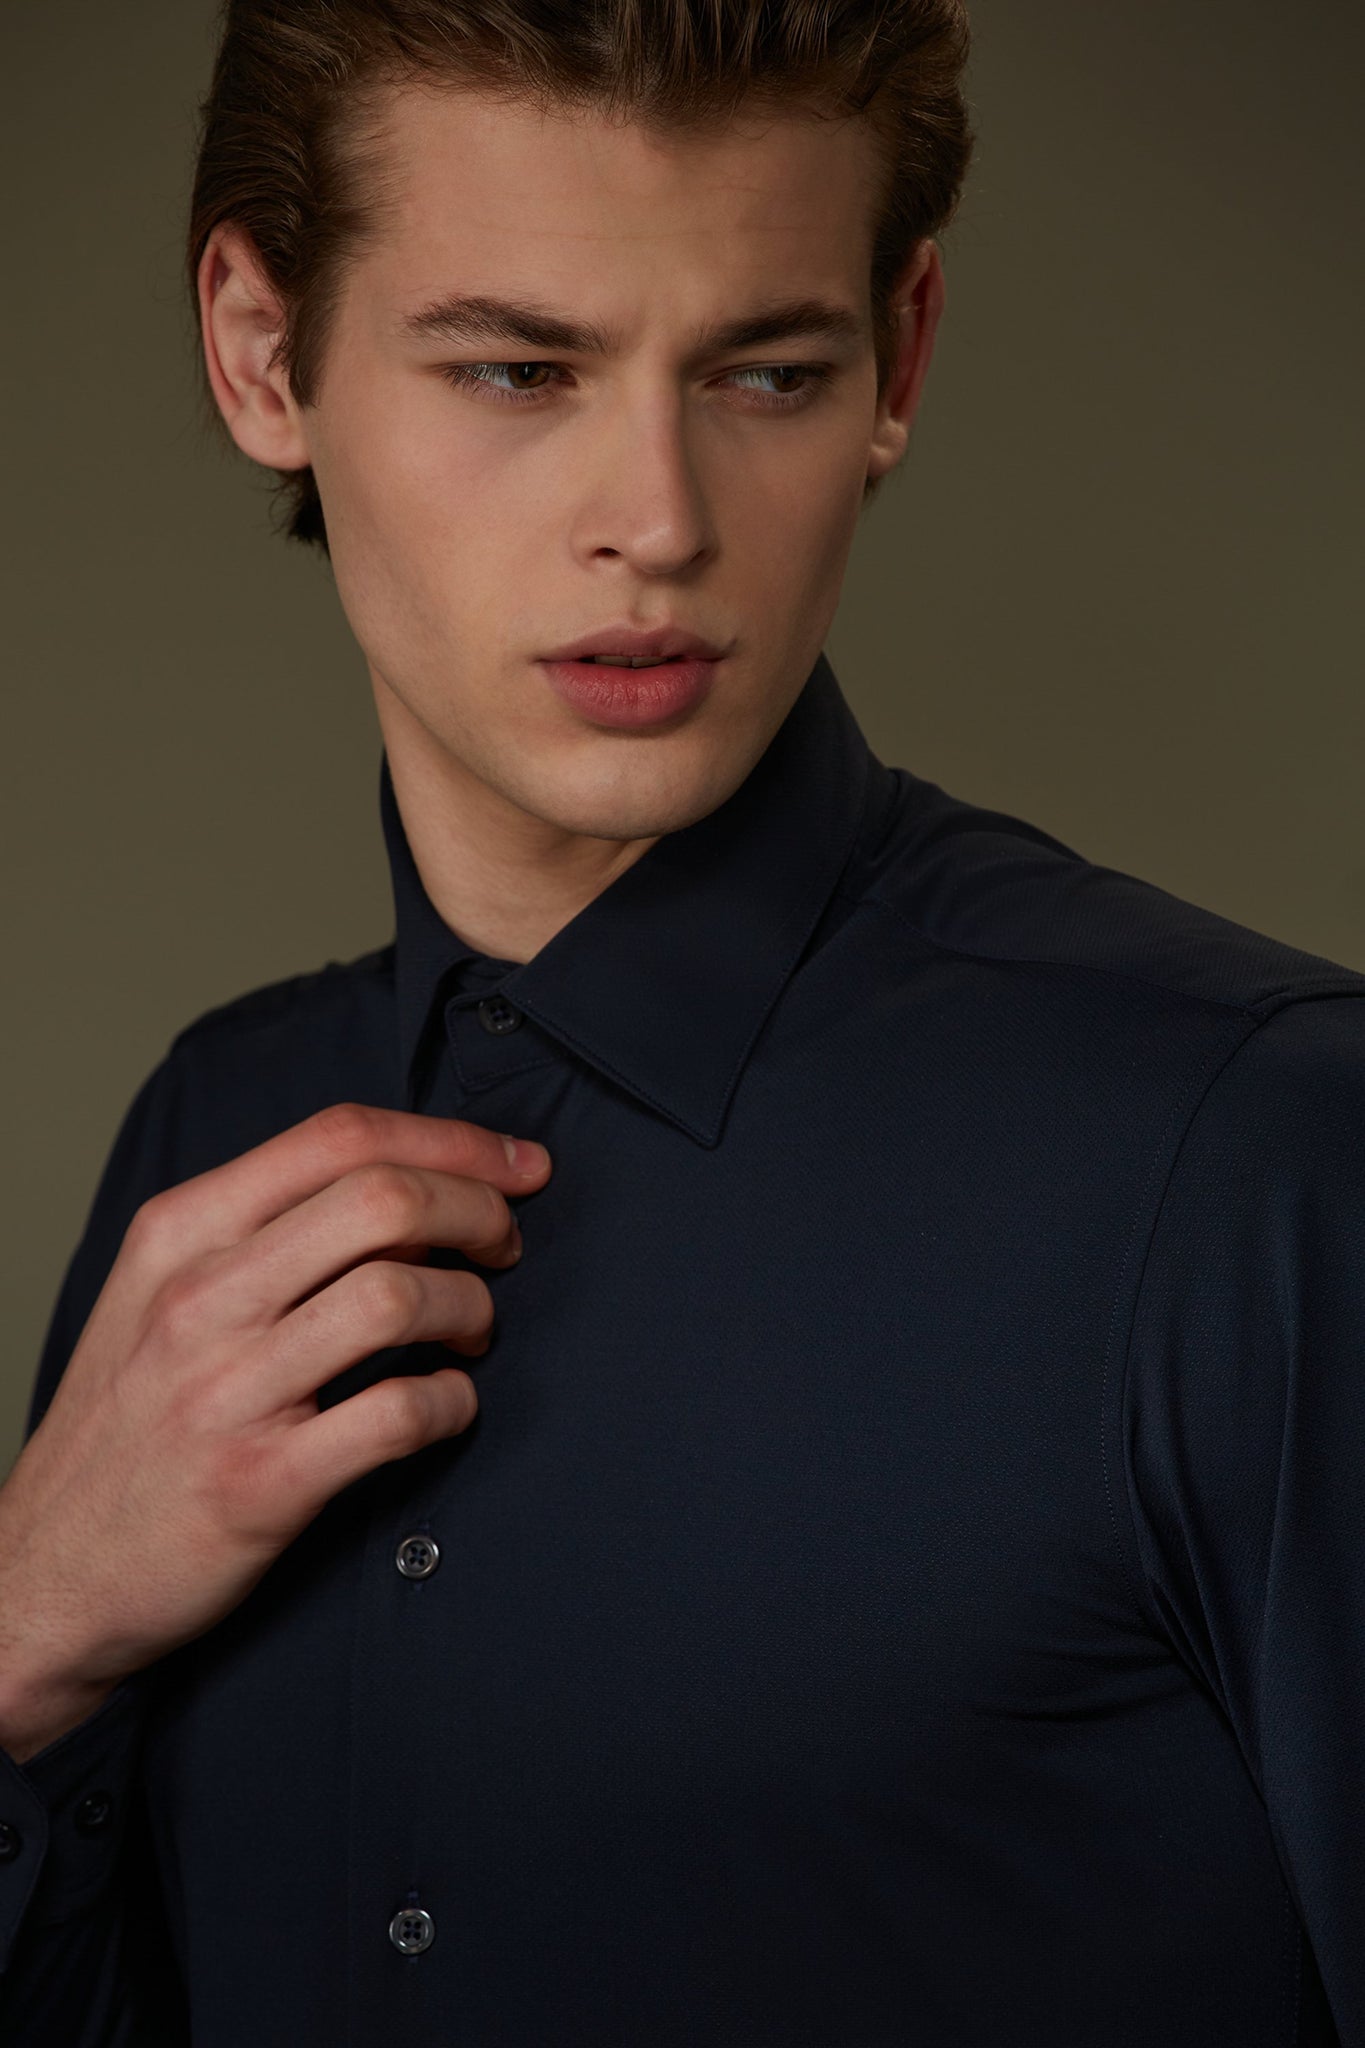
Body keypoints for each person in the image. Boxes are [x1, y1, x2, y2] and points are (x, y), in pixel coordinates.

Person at [1, 0, 1362, 2040]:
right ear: (262, 353)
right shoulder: (211, 1135)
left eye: (765, 373)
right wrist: (23, 1628)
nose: (658, 518)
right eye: (516, 370)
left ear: (898, 355)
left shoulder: (1262, 1161)